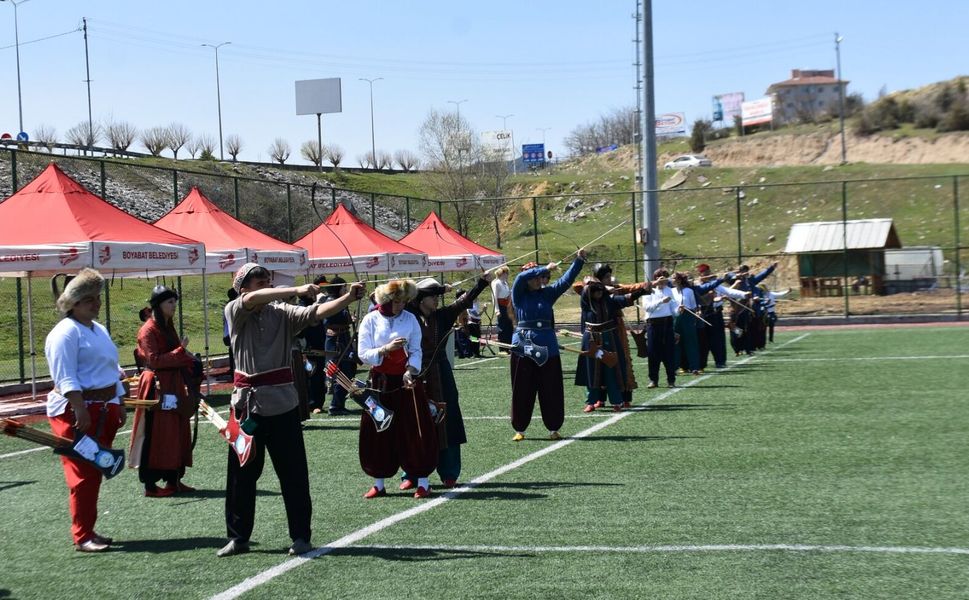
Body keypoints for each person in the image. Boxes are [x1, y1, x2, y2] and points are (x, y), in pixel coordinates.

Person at [218, 263, 363, 558]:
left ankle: (300, 536)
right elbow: (252, 300)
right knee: (241, 476)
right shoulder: (235, 308)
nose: (266, 285)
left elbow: (315, 314)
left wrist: (348, 297)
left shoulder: (281, 312)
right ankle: (238, 536)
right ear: (242, 287)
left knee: (294, 474)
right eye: (259, 281)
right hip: (247, 408)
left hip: (283, 405)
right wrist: (297, 289)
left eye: (268, 281)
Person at [45, 268, 126, 552]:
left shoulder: (98, 329)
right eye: (89, 299)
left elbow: (111, 370)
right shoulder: (64, 334)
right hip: (76, 411)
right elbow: (64, 376)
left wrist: (120, 401)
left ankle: (88, 529)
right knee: (83, 473)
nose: (97, 303)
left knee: (95, 469)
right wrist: (80, 409)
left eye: (97, 298)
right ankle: (82, 535)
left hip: (103, 409)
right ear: (74, 302)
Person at [401, 271, 495, 489]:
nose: (436, 300)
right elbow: (396, 297)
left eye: (437, 296)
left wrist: (481, 282)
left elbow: (465, 301)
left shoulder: (442, 316)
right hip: (412, 373)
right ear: (420, 298)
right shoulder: (407, 315)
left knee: (447, 419)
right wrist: (438, 288)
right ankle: (410, 475)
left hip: (441, 372)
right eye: (432, 296)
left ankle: (449, 472)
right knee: (413, 422)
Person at [357, 279, 438, 499]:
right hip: (380, 383)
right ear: (387, 299)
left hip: (406, 382)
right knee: (378, 430)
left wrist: (410, 371)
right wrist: (385, 349)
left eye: (404, 301)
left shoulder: (410, 319)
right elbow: (362, 354)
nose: (401, 305)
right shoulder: (370, 320)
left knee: (415, 429)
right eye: (397, 301)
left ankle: (422, 481)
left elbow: (416, 350)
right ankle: (379, 483)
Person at [129, 285, 200, 498]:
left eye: (174, 302)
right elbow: (154, 360)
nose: (174, 306)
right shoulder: (148, 330)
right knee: (154, 433)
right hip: (156, 387)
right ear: (158, 305)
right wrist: (181, 351)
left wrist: (192, 361)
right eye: (170, 302)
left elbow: (176, 354)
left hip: (173, 384)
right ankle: (150, 485)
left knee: (176, 430)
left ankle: (173, 480)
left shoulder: (167, 326)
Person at [510, 250, 586, 441]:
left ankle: (553, 428)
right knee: (522, 389)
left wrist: (579, 260)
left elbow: (566, 281)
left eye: (541, 277)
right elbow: (520, 277)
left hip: (548, 348)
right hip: (523, 348)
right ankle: (520, 428)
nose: (539, 279)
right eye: (535, 277)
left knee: (550, 389)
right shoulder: (519, 294)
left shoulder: (547, 294)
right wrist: (544, 268)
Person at [575, 277, 648, 412]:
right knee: (592, 372)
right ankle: (591, 401)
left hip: (609, 338)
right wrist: (604, 287)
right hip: (591, 338)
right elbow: (580, 287)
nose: (599, 294)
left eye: (600, 291)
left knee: (611, 370)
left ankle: (617, 401)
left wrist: (643, 290)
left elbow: (627, 298)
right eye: (596, 291)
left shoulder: (609, 301)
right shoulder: (586, 302)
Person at [320, 276, 359, 416]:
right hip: (336, 342)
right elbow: (329, 320)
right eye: (343, 287)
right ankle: (335, 406)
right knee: (340, 373)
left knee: (348, 370)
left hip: (342, 339)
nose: (345, 290)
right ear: (338, 289)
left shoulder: (339, 302)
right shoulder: (332, 302)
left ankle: (339, 403)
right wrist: (349, 319)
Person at [298, 275, 329, 414]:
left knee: (316, 376)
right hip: (307, 347)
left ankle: (317, 403)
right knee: (309, 376)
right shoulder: (302, 308)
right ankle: (311, 403)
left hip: (317, 346)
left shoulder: (312, 306)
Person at [641, 269, 677, 388]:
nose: (663, 282)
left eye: (665, 279)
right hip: (653, 324)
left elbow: (673, 309)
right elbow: (647, 308)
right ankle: (653, 380)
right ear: (655, 279)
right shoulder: (648, 290)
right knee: (653, 353)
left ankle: (671, 380)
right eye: (660, 279)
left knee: (669, 352)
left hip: (667, 323)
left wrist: (679, 310)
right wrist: (661, 301)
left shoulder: (669, 290)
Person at [490, 266, 513, 351]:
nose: (507, 275)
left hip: (507, 307)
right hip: (501, 307)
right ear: (502, 273)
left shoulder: (505, 283)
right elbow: (494, 297)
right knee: (502, 328)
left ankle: (509, 347)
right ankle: (502, 349)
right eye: (506, 273)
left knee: (509, 327)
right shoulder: (496, 283)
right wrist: (497, 310)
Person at [222, 288, 238, 378]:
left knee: (232, 351)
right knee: (235, 351)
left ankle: (232, 369)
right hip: (231, 334)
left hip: (226, 334)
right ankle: (233, 370)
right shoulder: (233, 306)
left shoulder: (227, 305)